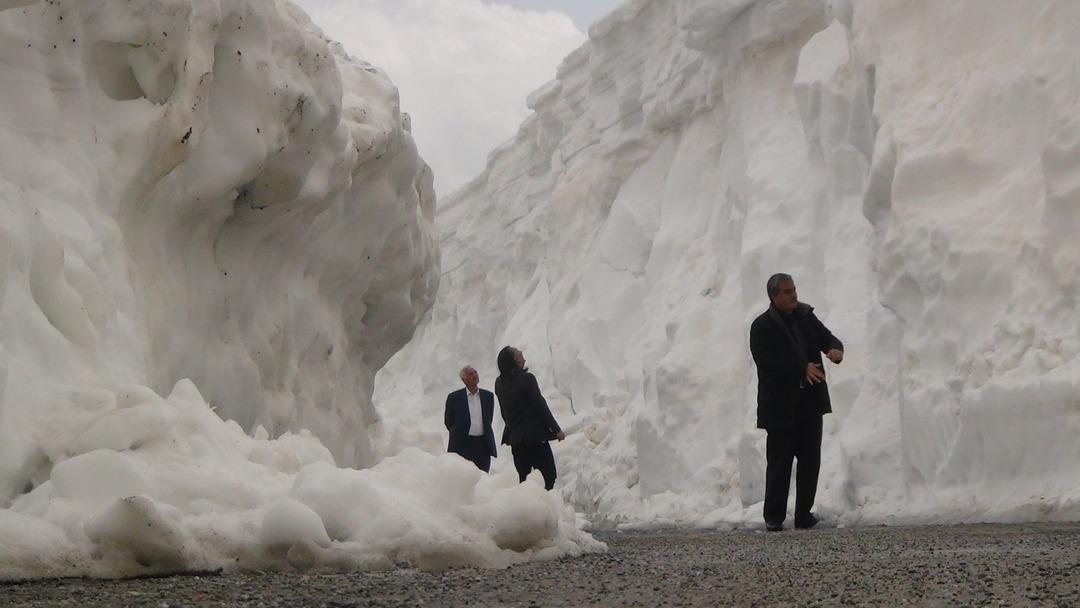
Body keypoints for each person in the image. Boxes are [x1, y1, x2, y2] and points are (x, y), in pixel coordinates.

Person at [749, 273, 844, 532]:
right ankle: (774, 516)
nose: (793, 295)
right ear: (774, 297)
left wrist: (834, 349)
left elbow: (827, 337)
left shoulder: (805, 316)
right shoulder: (762, 326)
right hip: (780, 406)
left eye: (794, 289)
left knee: (810, 461)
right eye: (787, 292)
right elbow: (766, 363)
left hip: (810, 402)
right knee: (779, 463)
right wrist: (801, 368)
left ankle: (804, 514)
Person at [494, 346, 565, 490]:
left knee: (524, 480)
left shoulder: (499, 383)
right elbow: (540, 406)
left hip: (516, 440)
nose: (522, 354)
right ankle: (546, 503)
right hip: (535, 438)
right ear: (514, 360)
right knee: (548, 477)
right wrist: (556, 429)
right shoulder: (526, 379)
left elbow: (504, 412)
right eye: (518, 353)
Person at [444, 365, 497, 472]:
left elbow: (488, 419)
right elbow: (449, 421)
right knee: (462, 474)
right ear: (464, 379)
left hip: (482, 444)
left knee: (483, 474)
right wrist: (458, 432)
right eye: (471, 374)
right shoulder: (454, 397)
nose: (475, 375)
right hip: (462, 444)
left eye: (475, 372)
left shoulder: (488, 396)